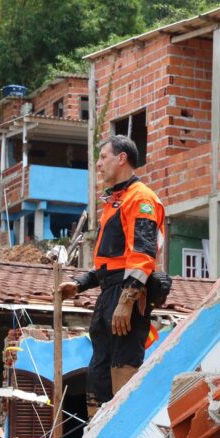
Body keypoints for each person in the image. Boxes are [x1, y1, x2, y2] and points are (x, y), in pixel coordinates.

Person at [59, 135, 165, 418]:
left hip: (127, 293)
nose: (98, 163)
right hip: (108, 293)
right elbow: (112, 261)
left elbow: (142, 254)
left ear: (122, 158)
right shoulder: (115, 201)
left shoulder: (141, 198)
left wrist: (127, 300)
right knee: (99, 372)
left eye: (103, 156)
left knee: (123, 367)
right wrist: (80, 284)